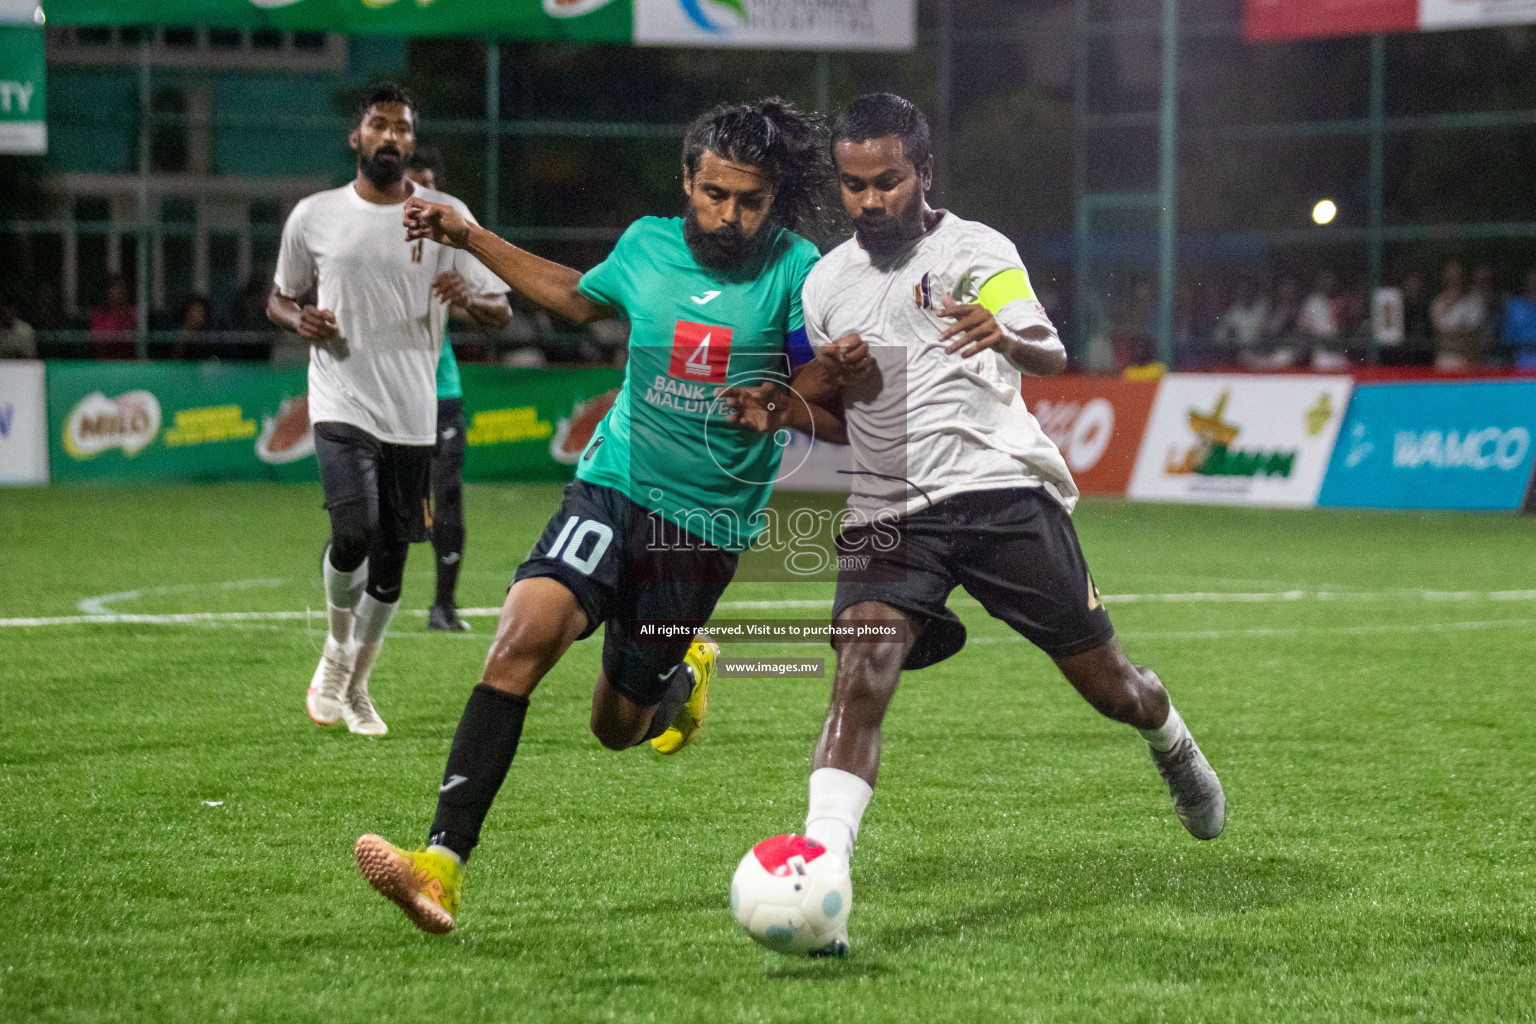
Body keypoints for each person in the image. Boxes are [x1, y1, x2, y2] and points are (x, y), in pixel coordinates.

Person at [730, 94, 1225, 957]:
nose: (869, 200)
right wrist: (793, 406)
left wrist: (1005, 335)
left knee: (1112, 687)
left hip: (999, 495)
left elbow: (1050, 349)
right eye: (853, 185)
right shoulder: (824, 286)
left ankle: (1169, 737)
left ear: (925, 174)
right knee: (860, 672)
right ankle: (824, 873)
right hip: (890, 504)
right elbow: (849, 417)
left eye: (887, 181)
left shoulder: (975, 251)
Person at [352, 98, 841, 935]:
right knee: (521, 637)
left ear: (775, 197)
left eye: (749, 200)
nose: (729, 214)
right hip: (614, 485)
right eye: (715, 194)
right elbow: (576, 299)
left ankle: (681, 680)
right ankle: (441, 865)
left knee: (616, 726)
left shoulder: (799, 271)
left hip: (705, 528)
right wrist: (470, 237)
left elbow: (835, 404)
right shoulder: (647, 243)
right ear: (687, 181)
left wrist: (784, 402)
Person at [268, 83, 511, 738]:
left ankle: (357, 685)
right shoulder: (314, 216)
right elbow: (279, 299)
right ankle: (335, 656)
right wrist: (301, 318)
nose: (392, 137)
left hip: (413, 409)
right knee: (353, 528)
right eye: (380, 125)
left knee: (394, 559)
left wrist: (470, 298)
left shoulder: (446, 214)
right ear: (357, 138)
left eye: (403, 128)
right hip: (341, 395)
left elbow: (500, 308)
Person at [404, 147, 477, 632]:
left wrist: (468, 294)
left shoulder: (449, 243)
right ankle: (356, 601)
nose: (422, 197)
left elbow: (493, 308)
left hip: (441, 389)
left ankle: (443, 606)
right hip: (385, 394)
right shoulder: (367, 240)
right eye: (414, 185)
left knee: (446, 495)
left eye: (431, 186)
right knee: (376, 509)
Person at [1431, 261, 1485, 372]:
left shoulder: (1474, 300)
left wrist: (1453, 331)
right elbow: (1439, 328)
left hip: (1470, 358)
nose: (1454, 281)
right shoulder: (1438, 301)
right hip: (1445, 359)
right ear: (1445, 279)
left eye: (1457, 277)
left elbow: (1474, 329)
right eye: (1450, 277)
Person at [1503, 268, 1536, 372]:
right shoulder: (1515, 306)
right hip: (1522, 358)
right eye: (1531, 281)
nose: (1533, 284)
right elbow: (1507, 339)